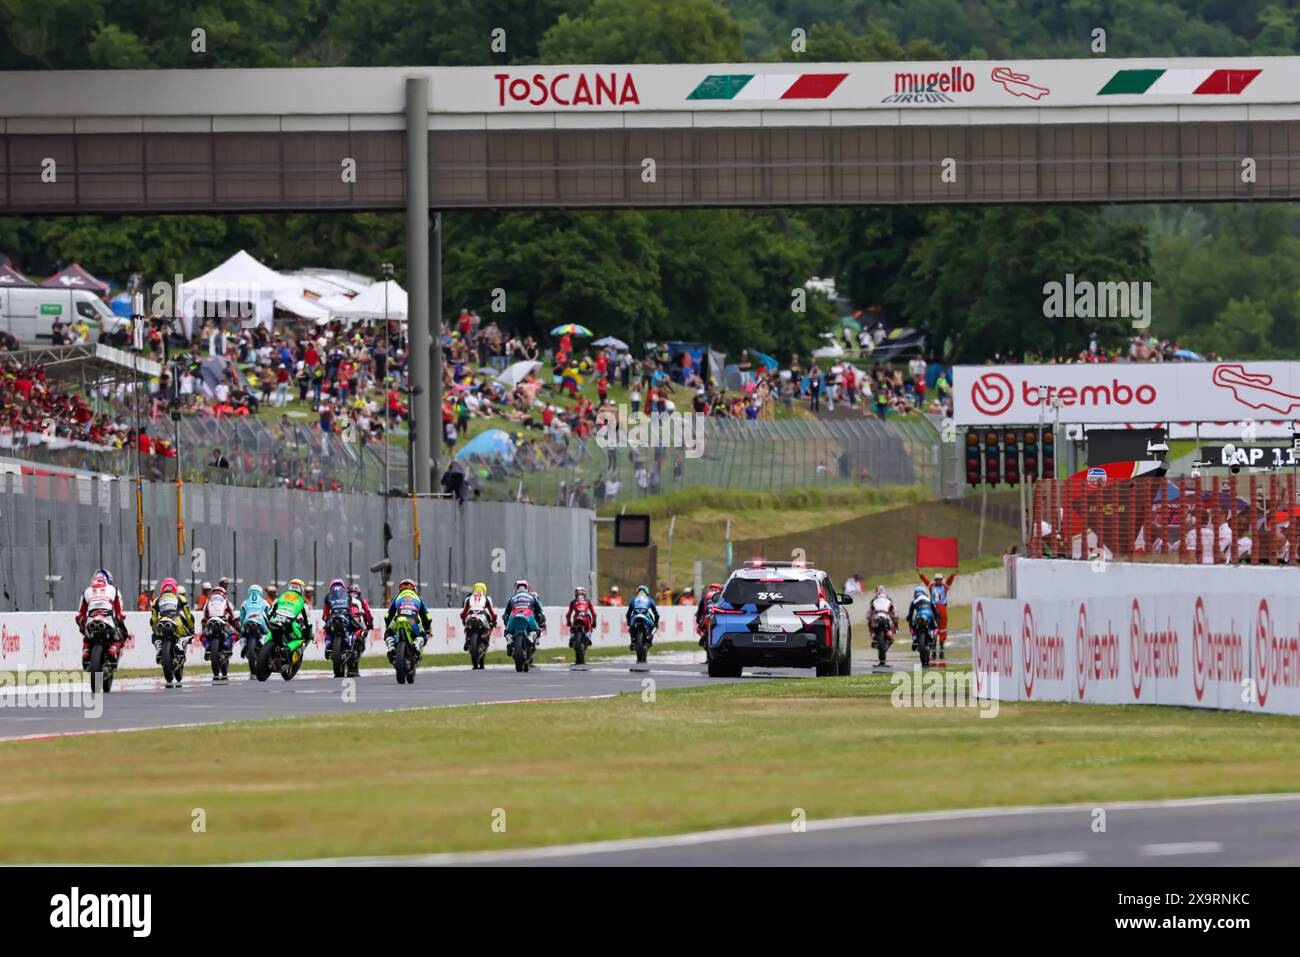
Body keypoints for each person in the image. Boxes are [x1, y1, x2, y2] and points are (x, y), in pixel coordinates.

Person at [76, 568, 128, 671]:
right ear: (108, 580)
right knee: (122, 634)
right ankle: (113, 648)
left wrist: (82, 624)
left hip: (91, 620)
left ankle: (86, 650)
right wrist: (120, 620)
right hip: (107, 619)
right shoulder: (114, 590)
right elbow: (120, 613)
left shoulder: (86, 591)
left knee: (87, 634)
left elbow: (80, 615)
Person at [384, 578, 431, 663]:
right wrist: (427, 629)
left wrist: (388, 626)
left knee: (388, 633)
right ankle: (416, 644)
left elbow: (388, 615)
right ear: (414, 588)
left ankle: (391, 647)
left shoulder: (397, 597)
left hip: (397, 618)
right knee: (423, 636)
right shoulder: (418, 597)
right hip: (413, 620)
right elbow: (426, 616)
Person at [150, 577, 195, 664]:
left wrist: (155, 629)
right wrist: (191, 627)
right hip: (176, 620)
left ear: (162, 588)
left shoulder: (156, 600)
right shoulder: (181, 598)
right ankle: (179, 642)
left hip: (162, 621)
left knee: (154, 636)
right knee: (186, 632)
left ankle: (159, 647)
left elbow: (153, 619)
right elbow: (188, 616)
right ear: (175, 587)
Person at [916, 567, 956, 657]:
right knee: (933, 626)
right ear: (935, 580)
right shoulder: (931, 586)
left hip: (942, 608)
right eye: (937, 580)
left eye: (940, 580)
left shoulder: (945, 587)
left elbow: (950, 580)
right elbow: (925, 580)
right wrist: (919, 572)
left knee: (943, 627)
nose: (939, 581)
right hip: (933, 608)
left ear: (942, 580)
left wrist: (954, 573)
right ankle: (933, 647)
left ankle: (941, 647)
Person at [503, 579, 545, 658]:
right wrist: (541, 618)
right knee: (537, 630)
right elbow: (540, 611)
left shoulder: (511, 598)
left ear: (515, 588)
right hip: (528, 614)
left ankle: (510, 640)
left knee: (507, 632)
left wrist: (506, 621)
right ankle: (531, 636)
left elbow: (505, 614)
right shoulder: (532, 597)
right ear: (527, 588)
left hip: (514, 615)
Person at [200, 583, 236, 674]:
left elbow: (205, 617)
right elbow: (232, 615)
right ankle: (227, 644)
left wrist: (204, 628)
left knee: (202, 636)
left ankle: (207, 646)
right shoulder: (226, 601)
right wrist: (236, 624)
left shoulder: (208, 602)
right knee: (235, 634)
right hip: (223, 622)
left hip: (211, 622)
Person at [269, 579, 311, 656]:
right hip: (289, 623)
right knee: (299, 639)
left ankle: (263, 648)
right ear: (301, 589)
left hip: (274, 619)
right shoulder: (302, 601)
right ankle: (286, 649)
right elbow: (307, 620)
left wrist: (269, 619)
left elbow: (270, 611)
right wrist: (308, 631)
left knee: (271, 632)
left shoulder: (281, 596)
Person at [459, 581, 498, 651]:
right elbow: (493, 614)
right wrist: (494, 621)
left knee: (467, 626)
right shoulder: (487, 598)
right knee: (489, 624)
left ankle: (468, 640)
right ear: (484, 590)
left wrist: (463, 619)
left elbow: (463, 613)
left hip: (470, 614)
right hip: (482, 614)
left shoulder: (468, 598)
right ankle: (485, 640)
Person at [322, 578, 354, 661]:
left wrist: (325, 619)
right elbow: (350, 610)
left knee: (327, 628)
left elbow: (325, 613)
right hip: (345, 616)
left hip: (333, 617)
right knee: (352, 628)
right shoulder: (348, 595)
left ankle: (328, 644)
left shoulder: (327, 596)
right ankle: (349, 643)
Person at [238, 583, 272, 661]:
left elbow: (242, 618)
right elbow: (269, 615)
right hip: (260, 621)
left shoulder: (244, 602)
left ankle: (243, 646)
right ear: (260, 592)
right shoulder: (264, 602)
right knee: (268, 632)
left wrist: (241, 627)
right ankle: (264, 644)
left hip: (248, 620)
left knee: (242, 633)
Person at [869, 585, 898, 666]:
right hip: (886, 617)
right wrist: (895, 623)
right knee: (893, 624)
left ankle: (873, 635)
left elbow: (870, 613)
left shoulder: (874, 600)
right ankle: (891, 634)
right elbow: (894, 613)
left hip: (877, 617)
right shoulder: (889, 600)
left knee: (871, 623)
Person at [626, 584, 660, 650]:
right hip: (645, 615)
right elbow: (656, 613)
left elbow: (628, 613)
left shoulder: (633, 599)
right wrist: (656, 622)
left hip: (635, 616)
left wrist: (628, 622)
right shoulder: (649, 600)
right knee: (654, 628)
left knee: (630, 628)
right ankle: (649, 638)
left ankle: (633, 640)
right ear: (647, 592)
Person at [906, 585, 936, 656]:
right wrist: (937, 617)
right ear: (924, 593)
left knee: (912, 626)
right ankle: (932, 636)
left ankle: (914, 639)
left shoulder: (913, 601)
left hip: (919, 616)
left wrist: (909, 619)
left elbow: (910, 614)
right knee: (935, 627)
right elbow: (936, 612)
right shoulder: (930, 600)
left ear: (915, 594)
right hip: (929, 616)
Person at [565, 585, 595, 650]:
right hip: (586, 618)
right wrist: (594, 622)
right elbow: (594, 614)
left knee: (572, 629)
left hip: (576, 618)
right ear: (584, 593)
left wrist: (568, 623)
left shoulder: (573, 602)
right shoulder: (588, 601)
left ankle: (572, 637)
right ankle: (587, 635)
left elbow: (568, 614)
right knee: (589, 627)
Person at [695, 582, 723, 647]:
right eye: (712, 589)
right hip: (709, 619)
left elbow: (699, 611)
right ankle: (704, 637)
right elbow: (700, 610)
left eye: (715, 589)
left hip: (718, 618)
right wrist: (698, 618)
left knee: (700, 627)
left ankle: (704, 637)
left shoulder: (722, 598)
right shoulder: (705, 598)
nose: (713, 590)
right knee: (700, 628)